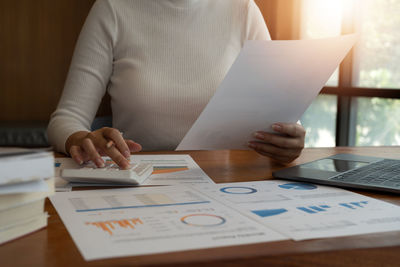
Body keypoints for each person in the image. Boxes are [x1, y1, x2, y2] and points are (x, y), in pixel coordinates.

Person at [47, 0, 305, 169]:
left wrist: (289, 140)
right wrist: (82, 138)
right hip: (137, 182)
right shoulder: (113, 9)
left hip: (225, 184)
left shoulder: (243, 9)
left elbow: (279, 113)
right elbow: (66, 119)